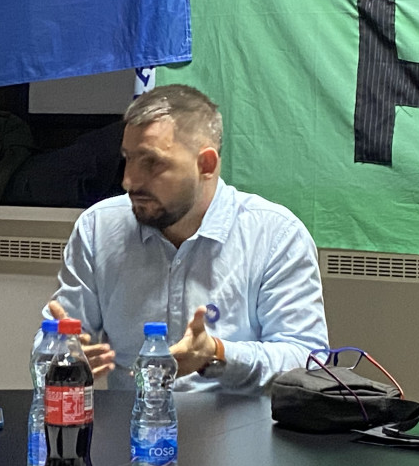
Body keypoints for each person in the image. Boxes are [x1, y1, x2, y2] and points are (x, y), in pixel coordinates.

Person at [43, 84, 328, 394]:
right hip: (130, 421)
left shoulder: (275, 235)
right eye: (128, 159)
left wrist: (217, 354)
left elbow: (306, 360)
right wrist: (60, 353)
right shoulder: (98, 228)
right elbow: (53, 340)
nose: (128, 180)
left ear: (206, 165)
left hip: (239, 424)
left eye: (151, 162)